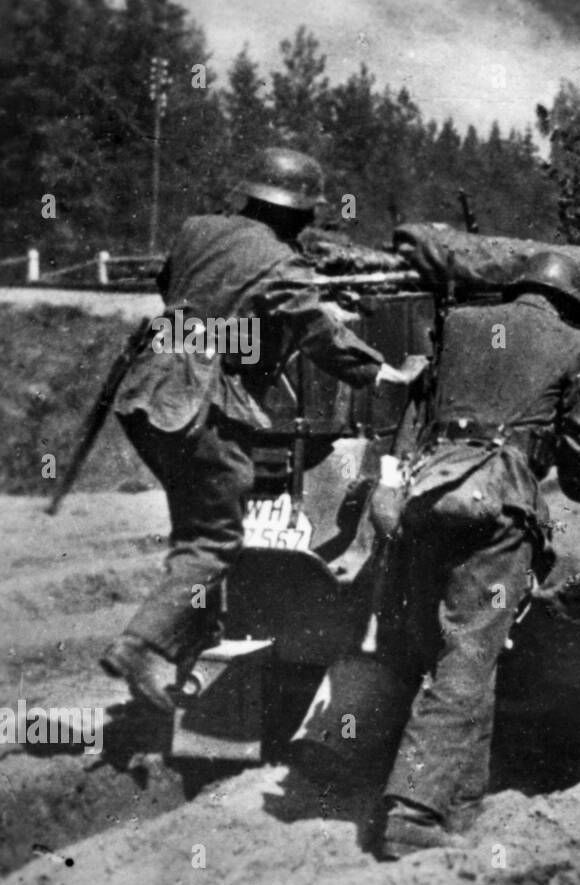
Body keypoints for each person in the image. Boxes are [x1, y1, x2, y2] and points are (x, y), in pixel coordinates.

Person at [101, 147, 424, 712]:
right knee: (216, 535)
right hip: (192, 393)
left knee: (204, 518)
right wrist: (385, 369)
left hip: (143, 388)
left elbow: (174, 287)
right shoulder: (282, 264)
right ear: (296, 214)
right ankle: (144, 644)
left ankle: (186, 635)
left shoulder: (196, 229)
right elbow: (319, 334)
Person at [377, 251, 580, 858]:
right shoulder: (575, 347)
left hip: (429, 496)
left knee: (458, 646)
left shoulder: (459, 324)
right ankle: (413, 811)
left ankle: (461, 803)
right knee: (468, 654)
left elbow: (417, 407)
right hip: (496, 509)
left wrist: (391, 482)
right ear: (570, 304)